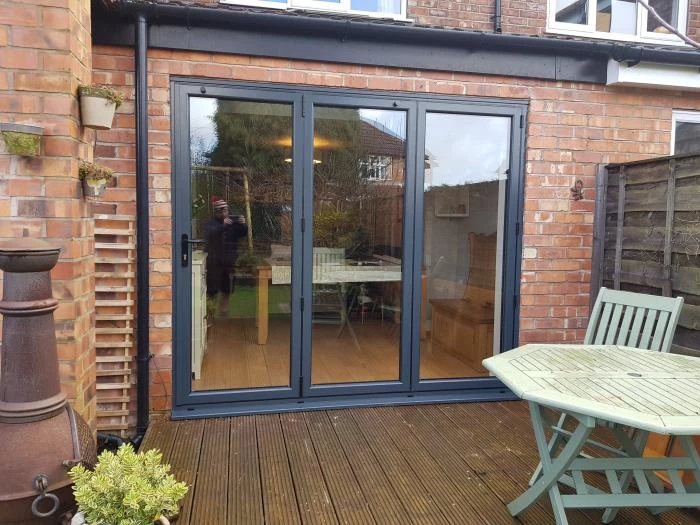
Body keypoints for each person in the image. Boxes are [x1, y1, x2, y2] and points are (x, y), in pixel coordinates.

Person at [203, 196, 247, 315]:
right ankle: (209, 317)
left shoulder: (232, 223)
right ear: (216, 211)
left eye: (226, 209)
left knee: (226, 290)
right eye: (221, 209)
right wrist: (223, 225)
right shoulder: (211, 223)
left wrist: (243, 224)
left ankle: (224, 316)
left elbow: (242, 234)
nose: (224, 212)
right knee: (211, 291)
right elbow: (211, 233)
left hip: (229, 263)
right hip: (213, 264)